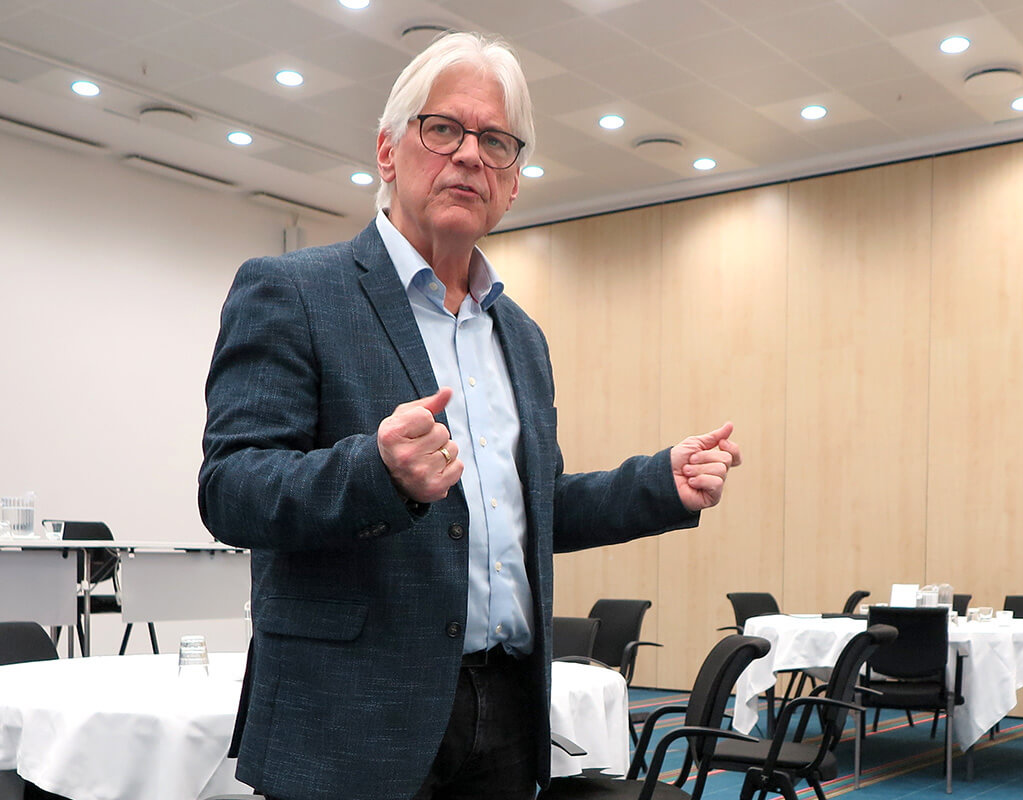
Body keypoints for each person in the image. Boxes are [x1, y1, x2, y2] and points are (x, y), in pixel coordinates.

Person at [199, 31, 740, 800]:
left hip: (507, 713)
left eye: (496, 141)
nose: (468, 156)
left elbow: (530, 511)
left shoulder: (519, 335)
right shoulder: (293, 292)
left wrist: (661, 484)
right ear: (388, 151)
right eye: (443, 128)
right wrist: (375, 472)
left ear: (513, 183)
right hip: (352, 717)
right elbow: (231, 489)